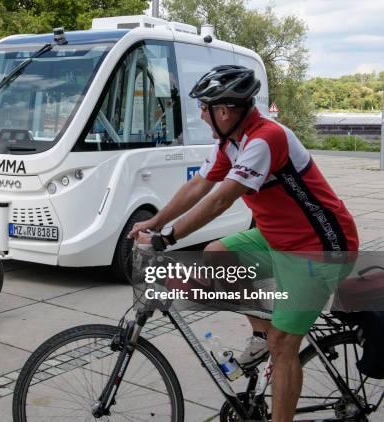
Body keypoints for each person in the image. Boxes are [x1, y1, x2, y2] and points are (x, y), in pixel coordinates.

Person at [128, 65, 358, 422]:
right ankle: (261, 335)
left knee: (285, 345)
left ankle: (276, 349)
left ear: (224, 110)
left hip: (318, 247)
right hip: (277, 237)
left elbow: (222, 199)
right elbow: (199, 185)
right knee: (217, 255)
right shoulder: (232, 142)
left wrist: (168, 238)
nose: (201, 114)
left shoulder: (266, 139)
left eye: (204, 108)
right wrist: (155, 221)